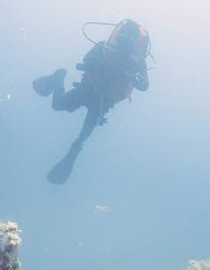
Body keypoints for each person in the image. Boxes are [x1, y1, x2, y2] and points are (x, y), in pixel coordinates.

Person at [32, 19, 150, 183]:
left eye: (130, 38)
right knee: (58, 105)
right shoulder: (106, 47)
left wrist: (137, 78)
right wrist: (97, 65)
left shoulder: (137, 61)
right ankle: (58, 78)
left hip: (103, 101)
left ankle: (74, 150)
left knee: (84, 134)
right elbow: (88, 59)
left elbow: (145, 85)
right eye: (125, 36)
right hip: (87, 90)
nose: (126, 41)